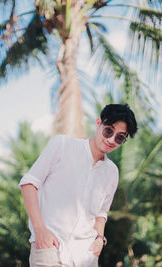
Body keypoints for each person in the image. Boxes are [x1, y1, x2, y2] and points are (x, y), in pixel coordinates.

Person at [19, 104, 137, 267]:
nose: (111, 140)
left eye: (119, 137)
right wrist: (40, 231)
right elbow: (29, 184)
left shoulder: (111, 172)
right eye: (108, 130)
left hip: (86, 256)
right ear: (98, 123)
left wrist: (99, 239)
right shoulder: (62, 145)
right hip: (50, 248)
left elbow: (101, 212)